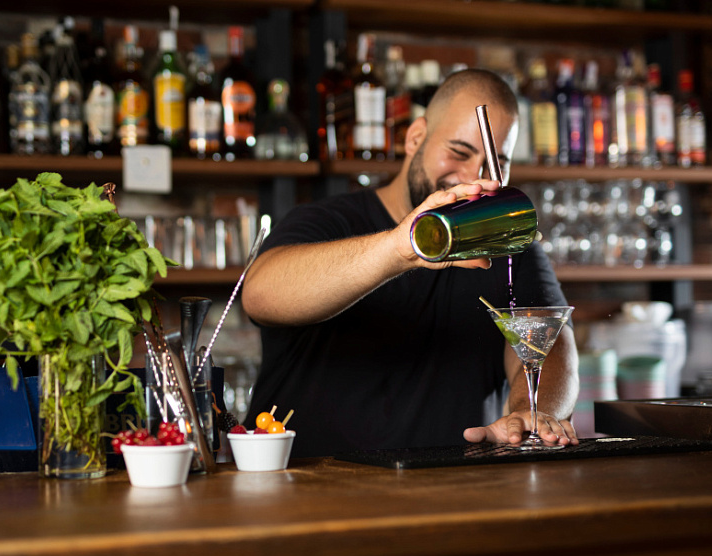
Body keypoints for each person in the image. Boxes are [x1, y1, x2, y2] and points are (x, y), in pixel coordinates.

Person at [241, 68, 579, 457]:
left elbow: (549, 342)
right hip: (308, 483)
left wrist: (531, 414)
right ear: (415, 137)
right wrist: (402, 248)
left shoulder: (506, 244)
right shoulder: (326, 221)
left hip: (451, 483)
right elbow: (259, 295)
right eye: (459, 152)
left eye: (495, 161)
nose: (474, 176)